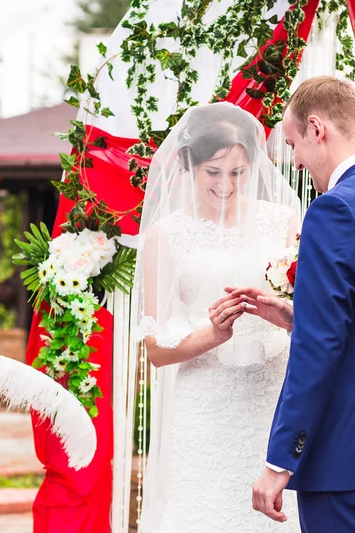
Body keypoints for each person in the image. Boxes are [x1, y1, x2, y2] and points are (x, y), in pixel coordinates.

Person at [227, 76, 355, 532]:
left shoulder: (333, 209)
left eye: (293, 143)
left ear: (317, 128)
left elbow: (319, 350)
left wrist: (281, 460)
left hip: (341, 456)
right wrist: (296, 317)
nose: (294, 159)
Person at [132, 102, 301, 532]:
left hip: (270, 402)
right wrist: (214, 332)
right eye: (214, 172)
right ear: (189, 166)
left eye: (238, 173)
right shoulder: (165, 236)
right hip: (205, 409)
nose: (226, 184)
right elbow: (156, 351)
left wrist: (282, 315)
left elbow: (311, 318)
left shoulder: (283, 221)